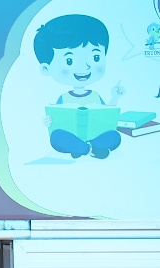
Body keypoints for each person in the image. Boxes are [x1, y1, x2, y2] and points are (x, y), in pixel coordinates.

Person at [36, 12, 126, 158]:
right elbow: (57, 122)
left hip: (96, 135)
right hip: (71, 136)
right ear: (46, 68)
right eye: (69, 61)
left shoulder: (95, 96)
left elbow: (106, 117)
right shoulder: (63, 98)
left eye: (95, 57)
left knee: (115, 136)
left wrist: (115, 97)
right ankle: (90, 148)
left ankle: (84, 148)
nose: (84, 67)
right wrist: (49, 121)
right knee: (56, 137)